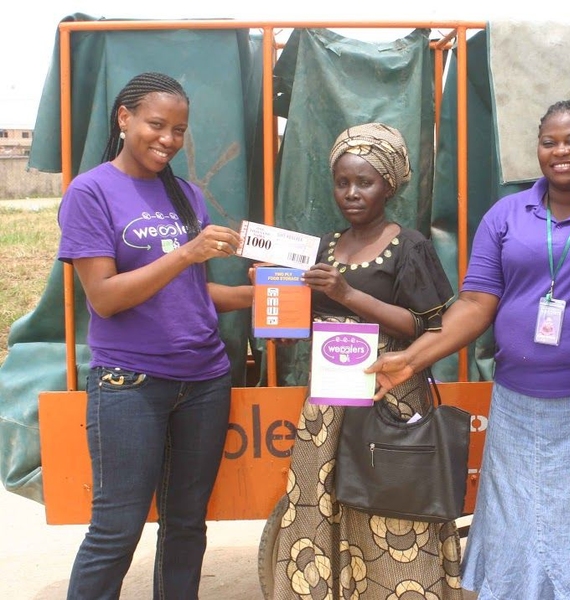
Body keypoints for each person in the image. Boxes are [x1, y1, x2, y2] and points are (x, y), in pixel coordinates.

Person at [366, 100, 570, 599]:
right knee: (519, 529)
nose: (561, 151)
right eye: (549, 141)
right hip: (517, 407)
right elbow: (477, 302)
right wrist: (413, 357)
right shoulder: (507, 214)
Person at [57, 72, 253, 599]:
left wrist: (266, 294)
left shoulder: (187, 195)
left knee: (186, 525)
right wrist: (187, 252)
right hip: (129, 382)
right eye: (156, 124)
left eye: (179, 130)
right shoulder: (90, 192)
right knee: (116, 530)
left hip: (205, 380)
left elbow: (193, 291)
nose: (168, 139)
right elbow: (105, 296)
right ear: (125, 118)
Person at [267, 123, 462, 599]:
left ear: (389, 185)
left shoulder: (409, 245)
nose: (351, 193)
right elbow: (307, 314)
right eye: (342, 182)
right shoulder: (324, 246)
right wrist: (281, 321)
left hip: (387, 392)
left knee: (389, 501)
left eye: (365, 182)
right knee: (322, 500)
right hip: (329, 405)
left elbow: (426, 327)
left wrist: (346, 293)